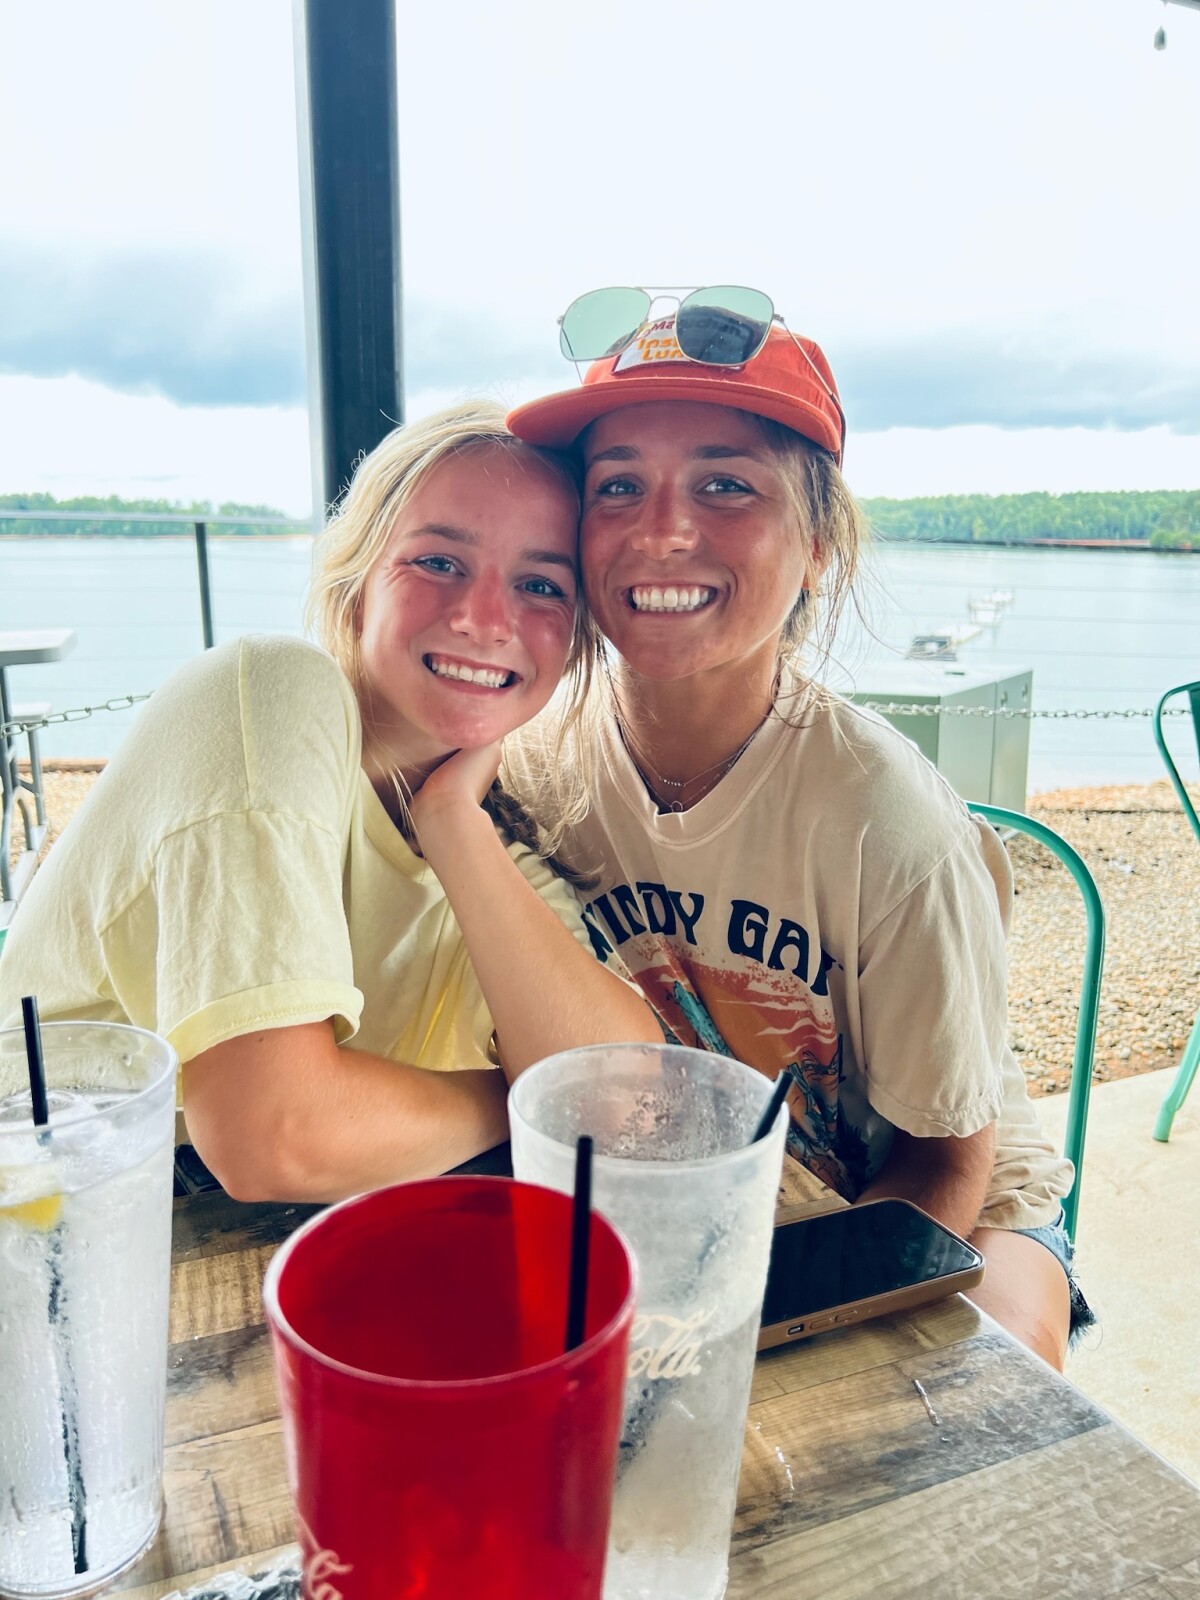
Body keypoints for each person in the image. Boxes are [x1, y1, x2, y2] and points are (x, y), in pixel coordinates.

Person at [501, 290, 1092, 1369]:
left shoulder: (884, 818)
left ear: (819, 544)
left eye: (726, 485)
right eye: (617, 485)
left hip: (940, 1185)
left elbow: (950, 1158)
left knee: (977, 1400)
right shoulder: (532, 767)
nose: (662, 530)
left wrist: (755, 1330)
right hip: (710, 1180)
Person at [0, 400, 659, 1202]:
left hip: (225, 1229)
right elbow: (277, 1137)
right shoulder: (271, 693)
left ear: (575, 643)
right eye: (439, 563)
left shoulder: (488, 848)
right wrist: (526, 1103)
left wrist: (453, 824)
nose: (485, 620)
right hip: (51, 1203)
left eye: (540, 585)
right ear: (355, 589)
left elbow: (621, 1105)